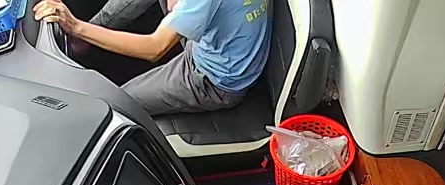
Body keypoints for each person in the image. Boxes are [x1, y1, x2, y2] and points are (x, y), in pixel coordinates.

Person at [33, 0, 271, 116]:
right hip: (230, 46)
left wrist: (75, 27)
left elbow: (154, 49)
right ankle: (88, 38)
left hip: (213, 80)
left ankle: (83, 37)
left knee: (117, 104)